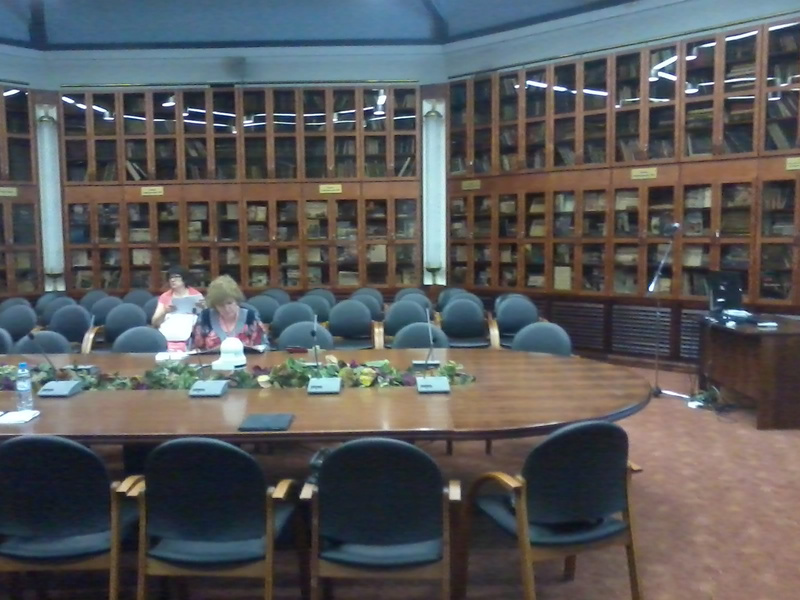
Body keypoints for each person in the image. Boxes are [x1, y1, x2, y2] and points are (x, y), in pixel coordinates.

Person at [191, 275, 266, 351]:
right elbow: (193, 349)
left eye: (229, 303)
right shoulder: (205, 317)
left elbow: (263, 348)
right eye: (221, 305)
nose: (226, 309)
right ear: (214, 305)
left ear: (236, 300)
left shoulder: (250, 317)